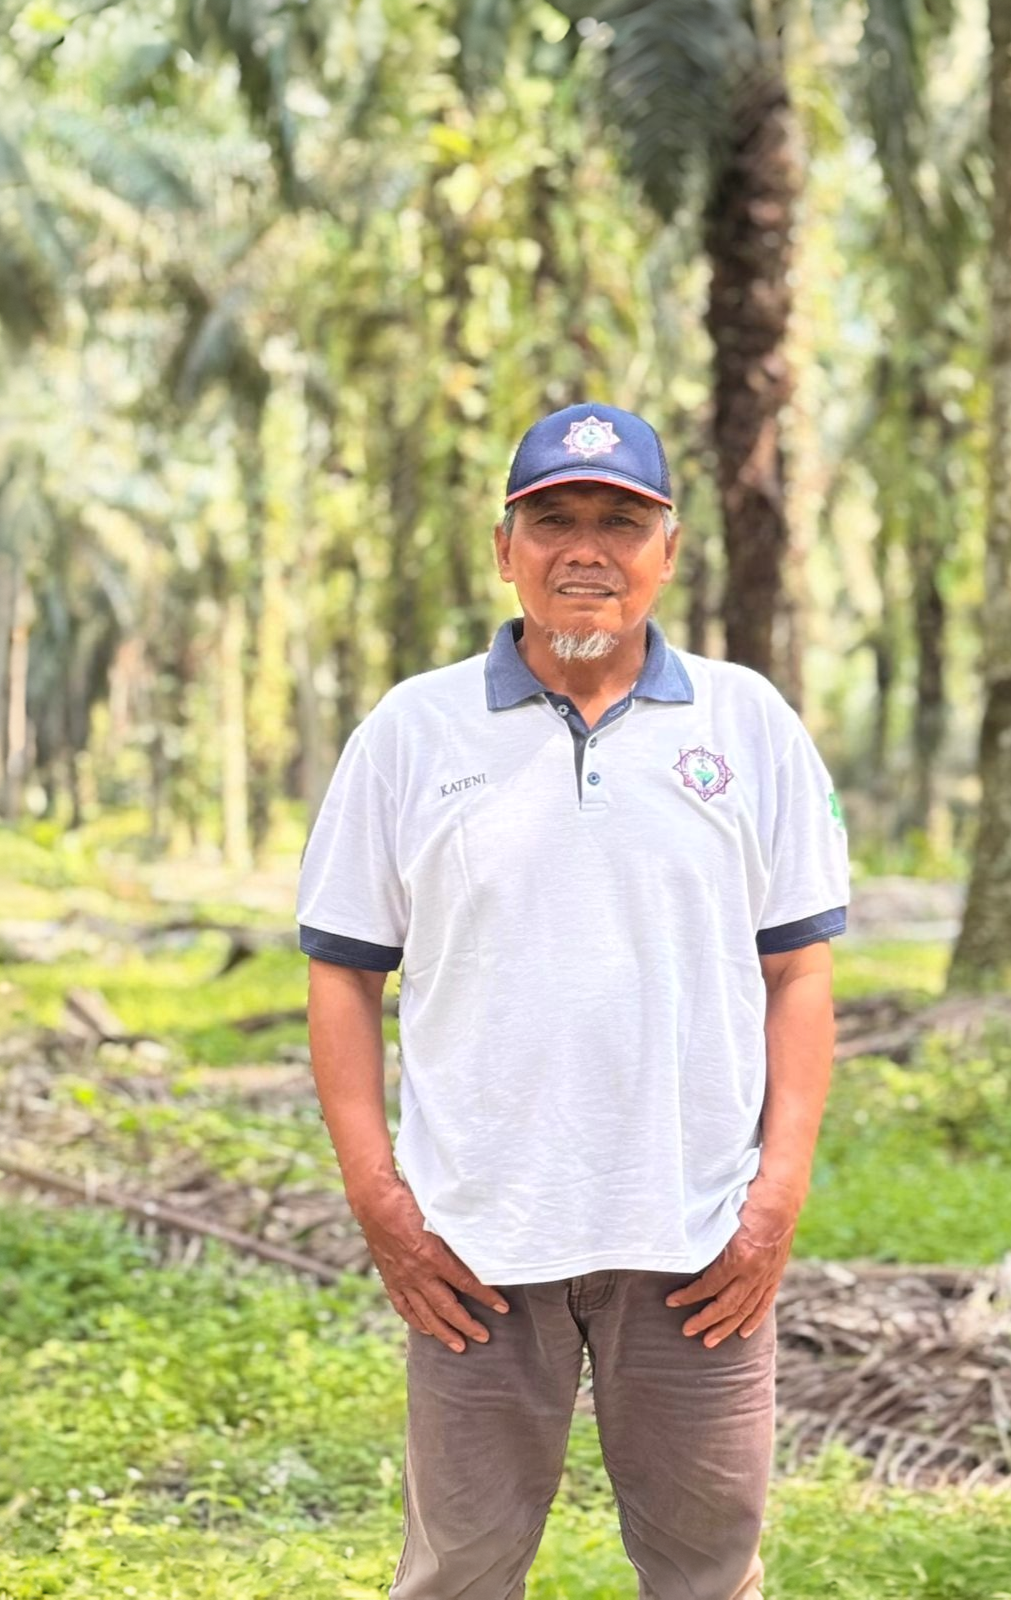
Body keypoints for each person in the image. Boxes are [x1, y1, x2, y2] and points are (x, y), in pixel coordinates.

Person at [298, 402, 848, 1600]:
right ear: (506, 547)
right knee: (461, 1572)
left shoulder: (750, 725)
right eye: (553, 520)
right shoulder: (412, 732)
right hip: (476, 1246)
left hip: (697, 1242)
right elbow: (343, 971)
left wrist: (775, 1199)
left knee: (709, 1573)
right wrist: (381, 1199)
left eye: (619, 521)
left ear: (669, 550)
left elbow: (799, 971)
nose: (585, 549)